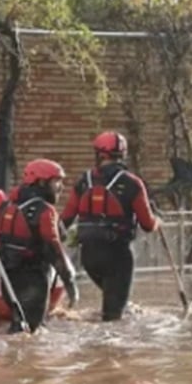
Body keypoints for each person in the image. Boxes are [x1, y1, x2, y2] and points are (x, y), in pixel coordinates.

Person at [0, 159, 80, 333]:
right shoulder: (45, 212)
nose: (60, 187)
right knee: (31, 332)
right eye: (57, 181)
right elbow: (53, 248)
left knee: (19, 325)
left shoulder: (7, 206)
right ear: (41, 182)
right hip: (33, 281)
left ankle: (10, 357)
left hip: (9, 279)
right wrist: (70, 283)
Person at [61, 131, 160, 322]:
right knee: (113, 319)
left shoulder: (83, 181)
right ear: (122, 155)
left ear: (98, 154)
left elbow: (65, 219)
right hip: (118, 258)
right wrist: (158, 222)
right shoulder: (133, 183)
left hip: (89, 258)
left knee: (114, 300)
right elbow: (147, 224)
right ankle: (109, 350)